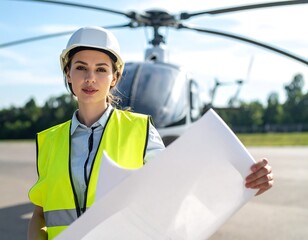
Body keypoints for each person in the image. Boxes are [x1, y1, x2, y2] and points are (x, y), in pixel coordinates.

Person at [27, 26, 274, 240]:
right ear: (68, 74)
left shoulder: (141, 130)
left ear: (115, 77)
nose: (90, 78)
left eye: (101, 69)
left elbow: (178, 189)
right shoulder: (49, 141)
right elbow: (40, 215)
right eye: (81, 68)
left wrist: (243, 182)